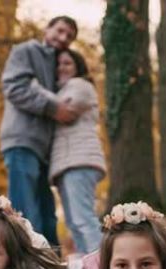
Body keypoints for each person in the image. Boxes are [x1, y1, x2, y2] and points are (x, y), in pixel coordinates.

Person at [0, 15, 80, 248]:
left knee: (47, 214)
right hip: (22, 140)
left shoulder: (59, 66)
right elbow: (14, 88)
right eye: (60, 31)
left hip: (46, 150)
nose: (63, 38)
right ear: (47, 29)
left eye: (69, 36)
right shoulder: (25, 51)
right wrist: (53, 108)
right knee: (25, 212)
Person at [43, 48, 105, 255]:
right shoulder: (62, 89)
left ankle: (102, 266)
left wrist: (33, 91)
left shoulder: (80, 85)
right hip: (66, 164)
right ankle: (88, 266)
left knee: (83, 218)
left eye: (67, 63)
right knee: (73, 222)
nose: (61, 68)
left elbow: (64, 111)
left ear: (78, 66)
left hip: (81, 160)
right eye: (58, 64)